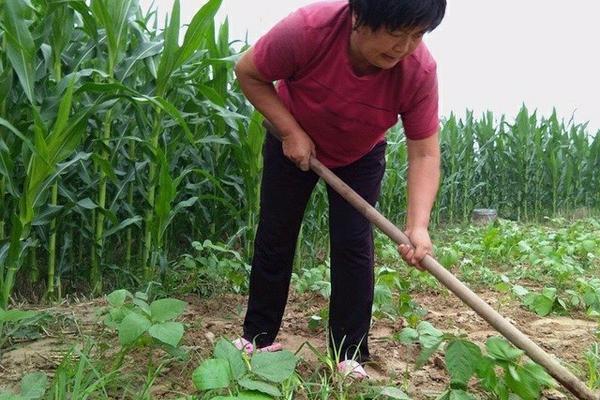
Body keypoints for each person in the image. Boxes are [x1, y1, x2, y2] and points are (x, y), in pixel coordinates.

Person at [233, 0, 446, 378]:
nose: (404, 47)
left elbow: (425, 154)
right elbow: (248, 72)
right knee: (276, 234)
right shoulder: (308, 30)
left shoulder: (418, 70)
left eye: (417, 35)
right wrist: (289, 129)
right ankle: (258, 337)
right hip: (294, 141)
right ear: (359, 16)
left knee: (353, 246)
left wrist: (418, 225)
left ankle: (348, 353)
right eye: (396, 33)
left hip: (359, 154)